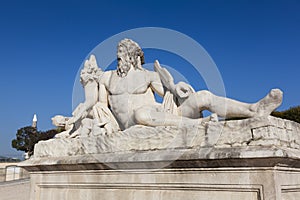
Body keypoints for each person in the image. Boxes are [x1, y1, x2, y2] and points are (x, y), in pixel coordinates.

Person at [85, 38, 283, 132]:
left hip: (163, 115)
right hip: (135, 122)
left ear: (134, 56)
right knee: (141, 115)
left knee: (203, 96)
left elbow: (170, 96)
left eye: (124, 53)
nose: (120, 57)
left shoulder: (149, 76)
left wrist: (177, 87)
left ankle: (253, 109)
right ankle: (198, 124)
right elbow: (100, 106)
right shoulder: (107, 78)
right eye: (118, 54)